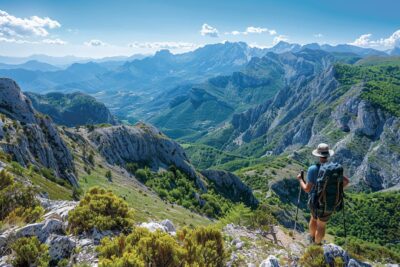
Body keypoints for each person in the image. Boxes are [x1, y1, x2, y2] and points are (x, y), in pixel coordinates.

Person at [297, 143, 349, 245]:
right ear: (328, 155)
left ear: (318, 155)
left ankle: (311, 240)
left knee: (313, 218)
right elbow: (346, 182)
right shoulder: (334, 170)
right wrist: (335, 189)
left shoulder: (312, 169)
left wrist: (300, 180)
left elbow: (307, 189)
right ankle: (317, 244)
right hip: (330, 202)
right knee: (322, 225)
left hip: (315, 201)